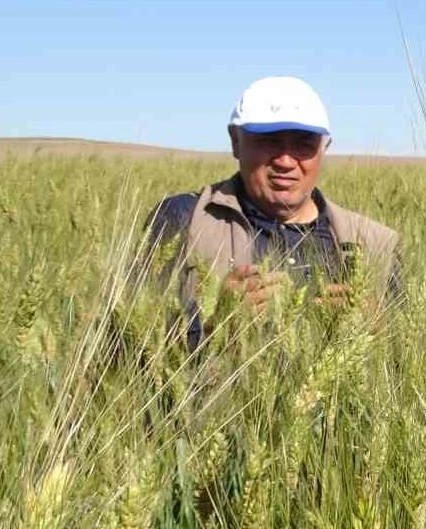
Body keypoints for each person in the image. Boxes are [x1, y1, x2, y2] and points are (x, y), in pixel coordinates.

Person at [142, 76, 400, 348]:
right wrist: (215, 326)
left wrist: (377, 328)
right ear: (235, 141)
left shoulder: (376, 244)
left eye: (304, 144)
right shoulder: (182, 219)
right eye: (270, 141)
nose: (286, 161)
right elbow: (123, 345)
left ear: (325, 148)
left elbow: (408, 360)